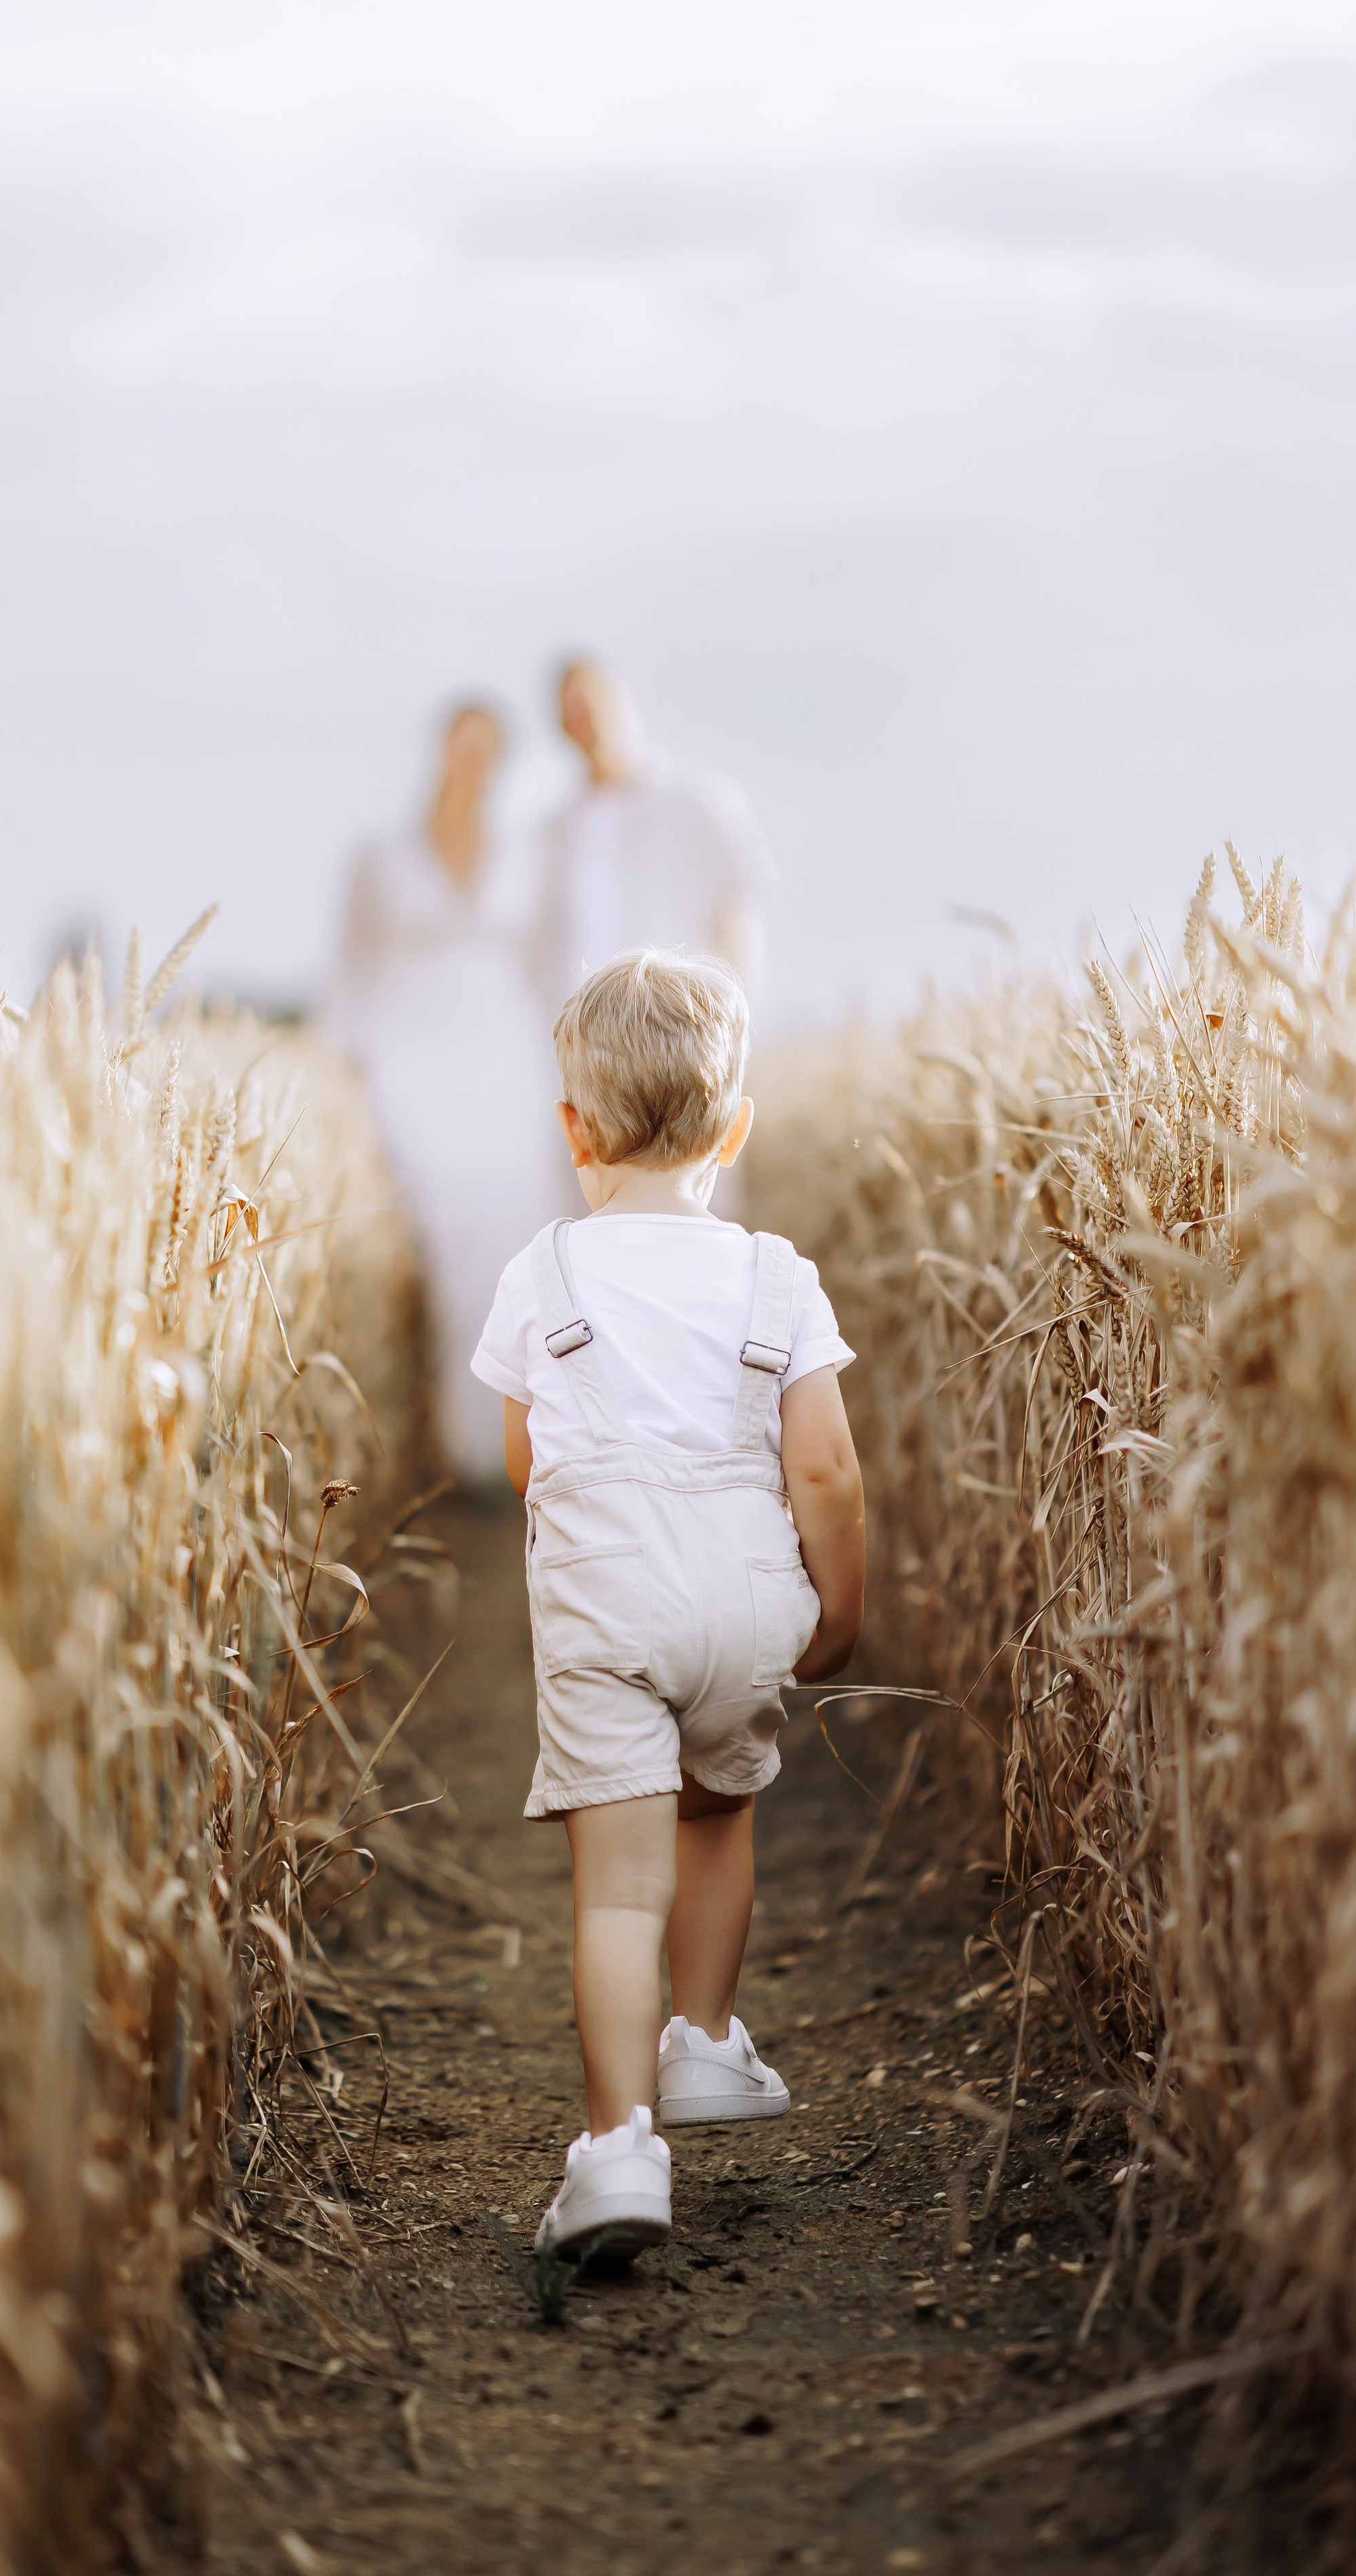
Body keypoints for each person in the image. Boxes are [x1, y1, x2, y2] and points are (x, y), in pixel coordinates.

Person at [470, 950, 867, 2255]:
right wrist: (838, 1606)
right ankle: (704, 2040)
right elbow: (825, 1467)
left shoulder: (546, 1275)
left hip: (608, 1596)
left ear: (572, 1128)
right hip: (749, 1594)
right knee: (719, 1817)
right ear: (734, 1128)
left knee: (616, 1894)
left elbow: (532, 1459)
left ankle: (620, 2148)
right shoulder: (775, 1277)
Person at [326, 702, 564, 1479]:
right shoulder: (381, 856)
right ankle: (439, 1442)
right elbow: (350, 968)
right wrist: (342, 1062)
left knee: (507, 1235)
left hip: (505, 1059)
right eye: (463, 749)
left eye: (488, 753)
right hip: (413, 1061)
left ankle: (495, 1450)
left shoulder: (527, 856)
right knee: (437, 1236)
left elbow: (545, 964)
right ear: (441, 752)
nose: (473, 765)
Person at [532, 658, 778, 1016]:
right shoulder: (556, 832)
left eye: (594, 703)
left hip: (679, 1028)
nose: (588, 720)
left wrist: (730, 1020)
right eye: (573, 711)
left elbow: (739, 910)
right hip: (590, 1040)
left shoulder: (699, 801)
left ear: (623, 701)